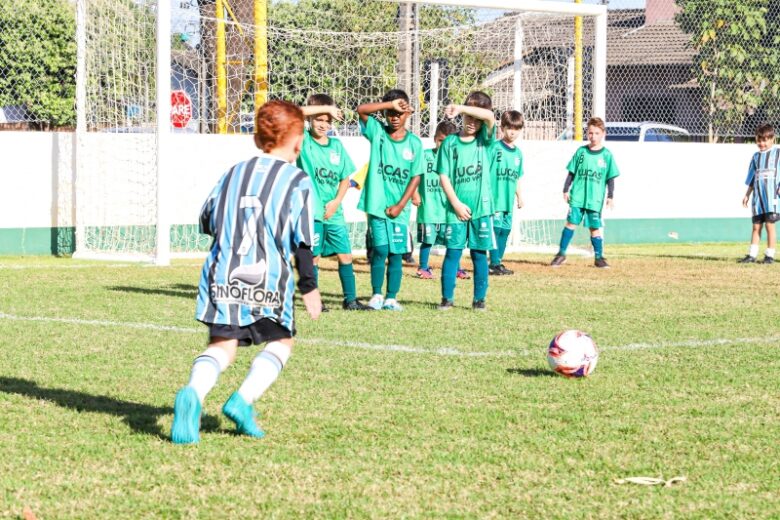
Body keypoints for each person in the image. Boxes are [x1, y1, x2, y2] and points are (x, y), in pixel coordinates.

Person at [171, 100, 321, 444]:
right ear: (298, 141)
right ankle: (242, 401)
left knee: (222, 346)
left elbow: (207, 219)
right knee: (281, 341)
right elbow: (302, 242)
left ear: (258, 139)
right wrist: (309, 287)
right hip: (267, 278)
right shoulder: (297, 181)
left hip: (223, 273)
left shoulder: (234, 172)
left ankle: (194, 391)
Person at [298, 94, 372, 310]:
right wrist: (327, 109)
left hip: (334, 211)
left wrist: (336, 202)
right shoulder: (304, 141)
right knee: (314, 257)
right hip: (312, 212)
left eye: (327, 120)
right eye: (319, 119)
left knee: (345, 255)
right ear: (310, 120)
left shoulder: (337, 146)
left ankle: (350, 300)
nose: (323, 124)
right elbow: (296, 113)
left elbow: (345, 178)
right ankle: (315, 302)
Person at [356, 89, 424, 311]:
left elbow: (416, 176)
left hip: (400, 208)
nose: (395, 117)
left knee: (396, 253)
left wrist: (401, 205)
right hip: (377, 205)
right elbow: (362, 110)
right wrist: (389, 104)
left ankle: (391, 297)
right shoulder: (378, 133)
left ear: (407, 114)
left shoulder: (414, 143)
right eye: (391, 113)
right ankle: (376, 294)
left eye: (400, 113)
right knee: (381, 250)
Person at [436, 91, 497, 311]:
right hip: (455, 210)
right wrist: (456, 204)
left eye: (476, 119)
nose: (472, 123)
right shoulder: (450, 143)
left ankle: (479, 299)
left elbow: (490, 118)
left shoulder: (485, 140)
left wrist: (462, 109)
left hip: (481, 210)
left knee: (479, 254)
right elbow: (444, 175)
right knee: (453, 253)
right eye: (469, 118)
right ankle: (447, 298)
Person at [550, 117, 620, 269]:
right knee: (570, 224)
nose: (593, 136)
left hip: (594, 199)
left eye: (596, 133)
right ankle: (561, 254)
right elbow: (571, 172)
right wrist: (565, 189)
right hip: (578, 197)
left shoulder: (606, 155)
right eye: (590, 133)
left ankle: (599, 257)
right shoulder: (581, 152)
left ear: (603, 134)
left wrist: (610, 196)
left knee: (594, 228)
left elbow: (610, 178)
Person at [414, 120, 458, 279]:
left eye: (447, 142)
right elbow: (414, 175)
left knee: (454, 242)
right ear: (434, 139)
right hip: (429, 209)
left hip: (449, 211)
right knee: (427, 241)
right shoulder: (425, 156)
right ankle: (423, 268)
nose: (443, 145)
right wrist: (414, 194)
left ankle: (456, 268)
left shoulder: (455, 160)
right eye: (440, 140)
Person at [488, 110, 525, 276]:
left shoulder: (518, 154)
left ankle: (497, 262)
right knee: (495, 229)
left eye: (516, 129)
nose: (512, 132)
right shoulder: (495, 148)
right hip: (495, 199)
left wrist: (519, 196)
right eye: (509, 128)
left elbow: (516, 177)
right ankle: (493, 263)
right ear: (502, 128)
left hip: (508, 201)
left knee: (505, 231)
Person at [740, 123, 780, 264]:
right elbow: (752, 177)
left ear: (772, 139)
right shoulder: (756, 157)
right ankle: (752, 255)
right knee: (756, 226)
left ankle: (769, 255)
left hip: (771, 198)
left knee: (770, 225)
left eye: (765, 140)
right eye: (759, 140)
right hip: (758, 199)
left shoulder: (777, 154)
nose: (761, 143)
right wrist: (747, 194)